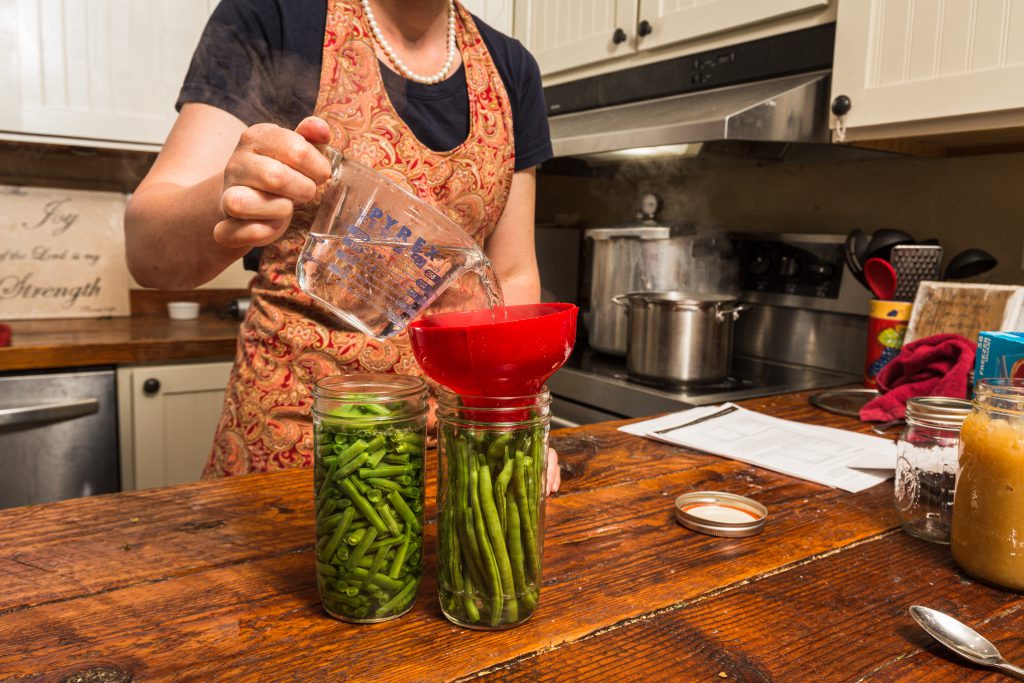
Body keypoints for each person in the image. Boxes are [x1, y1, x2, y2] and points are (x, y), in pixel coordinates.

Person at [124, 0, 561, 490]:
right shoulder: (275, 16)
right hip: (294, 448)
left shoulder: (512, 69)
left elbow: (514, 272)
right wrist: (232, 195)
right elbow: (147, 252)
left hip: (452, 448)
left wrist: (511, 415)